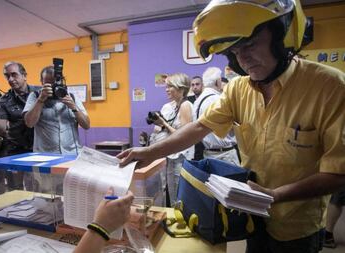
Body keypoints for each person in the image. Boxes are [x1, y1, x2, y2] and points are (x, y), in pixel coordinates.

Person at [119, 0, 345, 252]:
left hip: (297, 225)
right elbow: (199, 128)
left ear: (282, 35)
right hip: (252, 215)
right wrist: (149, 153)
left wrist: (275, 195)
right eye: (235, 53)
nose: (243, 59)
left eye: (249, 44)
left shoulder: (329, 87)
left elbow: (337, 175)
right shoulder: (238, 88)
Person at [0, 87, 134, 253]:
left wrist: (73, 107)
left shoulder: (70, 98)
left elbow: (86, 123)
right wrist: (100, 228)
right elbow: (28, 122)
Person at [0, 61, 40, 193]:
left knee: (37, 188)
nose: (10, 79)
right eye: (7, 76)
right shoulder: (4, 100)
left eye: (14, 75)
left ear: (24, 75)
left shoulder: (40, 93)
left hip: (39, 148)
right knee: (15, 191)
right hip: (16, 149)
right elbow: (1, 129)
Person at [149, 73, 193, 207]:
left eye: (170, 87)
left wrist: (164, 124)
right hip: (172, 156)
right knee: (172, 192)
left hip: (181, 157)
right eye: (166, 87)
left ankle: (181, 221)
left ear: (181, 88)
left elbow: (184, 136)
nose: (166, 89)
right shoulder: (174, 106)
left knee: (179, 194)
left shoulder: (186, 105)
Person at [23, 65, 90, 155]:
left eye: (55, 82)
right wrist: (40, 100)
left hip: (72, 154)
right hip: (45, 155)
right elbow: (29, 123)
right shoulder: (34, 96)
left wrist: (74, 108)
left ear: (61, 81)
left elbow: (86, 125)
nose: (53, 86)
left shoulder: (72, 96)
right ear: (42, 82)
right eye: (48, 83)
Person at [192, 67, 239, 165]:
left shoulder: (197, 102)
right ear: (218, 82)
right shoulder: (219, 100)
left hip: (208, 154)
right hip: (225, 155)